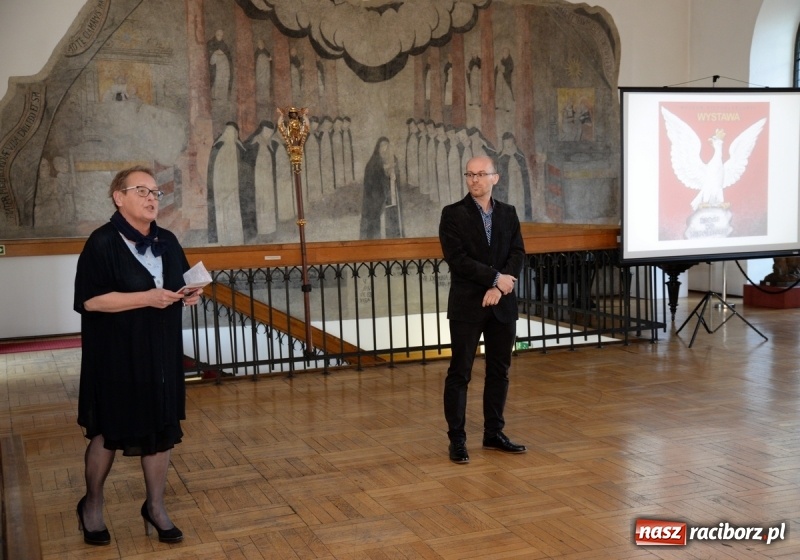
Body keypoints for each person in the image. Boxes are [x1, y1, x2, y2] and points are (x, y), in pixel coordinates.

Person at [73, 166, 203, 545]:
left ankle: (155, 507)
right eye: (142, 191)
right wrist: (146, 298)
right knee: (108, 431)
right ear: (119, 197)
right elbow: (90, 301)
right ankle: (92, 505)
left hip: (160, 354)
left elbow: (181, 282)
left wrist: (191, 293)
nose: (152, 198)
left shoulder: (167, 239)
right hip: (115, 356)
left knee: (161, 431)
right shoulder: (101, 242)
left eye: (155, 192)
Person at [438, 155, 527, 464]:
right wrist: (494, 278)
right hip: (467, 305)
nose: (474, 179)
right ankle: (457, 440)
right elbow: (457, 259)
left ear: (494, 178)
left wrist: (499, 287)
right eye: (469, 174)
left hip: (502, 304)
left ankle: (493, 433)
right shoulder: (452, 214)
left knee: (499, 371)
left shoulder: (508, 213)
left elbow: (517, 253)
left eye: (480, 174)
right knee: (460, 372)